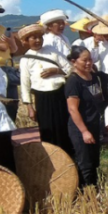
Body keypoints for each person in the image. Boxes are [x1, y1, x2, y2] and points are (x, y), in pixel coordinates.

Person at [19, 24, 73, 157]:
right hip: (42, 97)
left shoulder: (52, 51)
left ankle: (68, 155)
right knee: (47, 127)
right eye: (33, 38)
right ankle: (52, 156)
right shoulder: (26, 59)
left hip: (59, 93)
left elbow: (70, 68)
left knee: (63, 125)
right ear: (26, 41)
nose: (37, 40)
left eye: (39, 37)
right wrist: (29, 107)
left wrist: (56, 70)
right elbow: (25, 83)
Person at [65, 46, 107, 188]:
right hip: (81, 128)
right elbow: (73, 109)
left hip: (94, 124)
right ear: (74, 61)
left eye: (90, 59)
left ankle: (94, 188)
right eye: (84, 60)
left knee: (94, 161)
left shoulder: (94, 77)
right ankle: (86, 193)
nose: (88, 63)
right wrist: (84, 131)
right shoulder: (73, 81)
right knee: (85, 163)